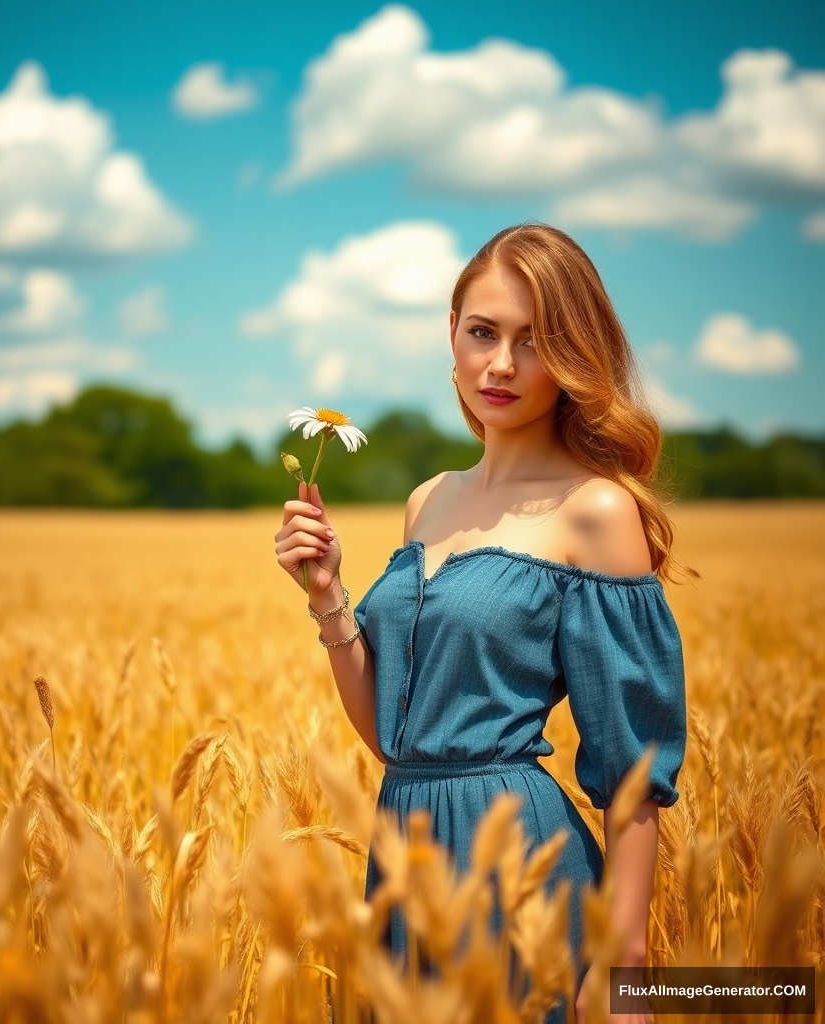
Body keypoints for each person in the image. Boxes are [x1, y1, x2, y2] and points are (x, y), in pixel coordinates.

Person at [274, 222, 688, 1024]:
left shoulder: (595, 510)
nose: (500, 364)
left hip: (519, 865)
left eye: (533, 341)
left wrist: (626, 968)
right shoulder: (427, 500)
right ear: (453, 340)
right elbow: (396, 734)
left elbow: (632, 760)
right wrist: (328, 597)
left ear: (574, 357)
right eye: (483, 333)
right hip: (403, 853)